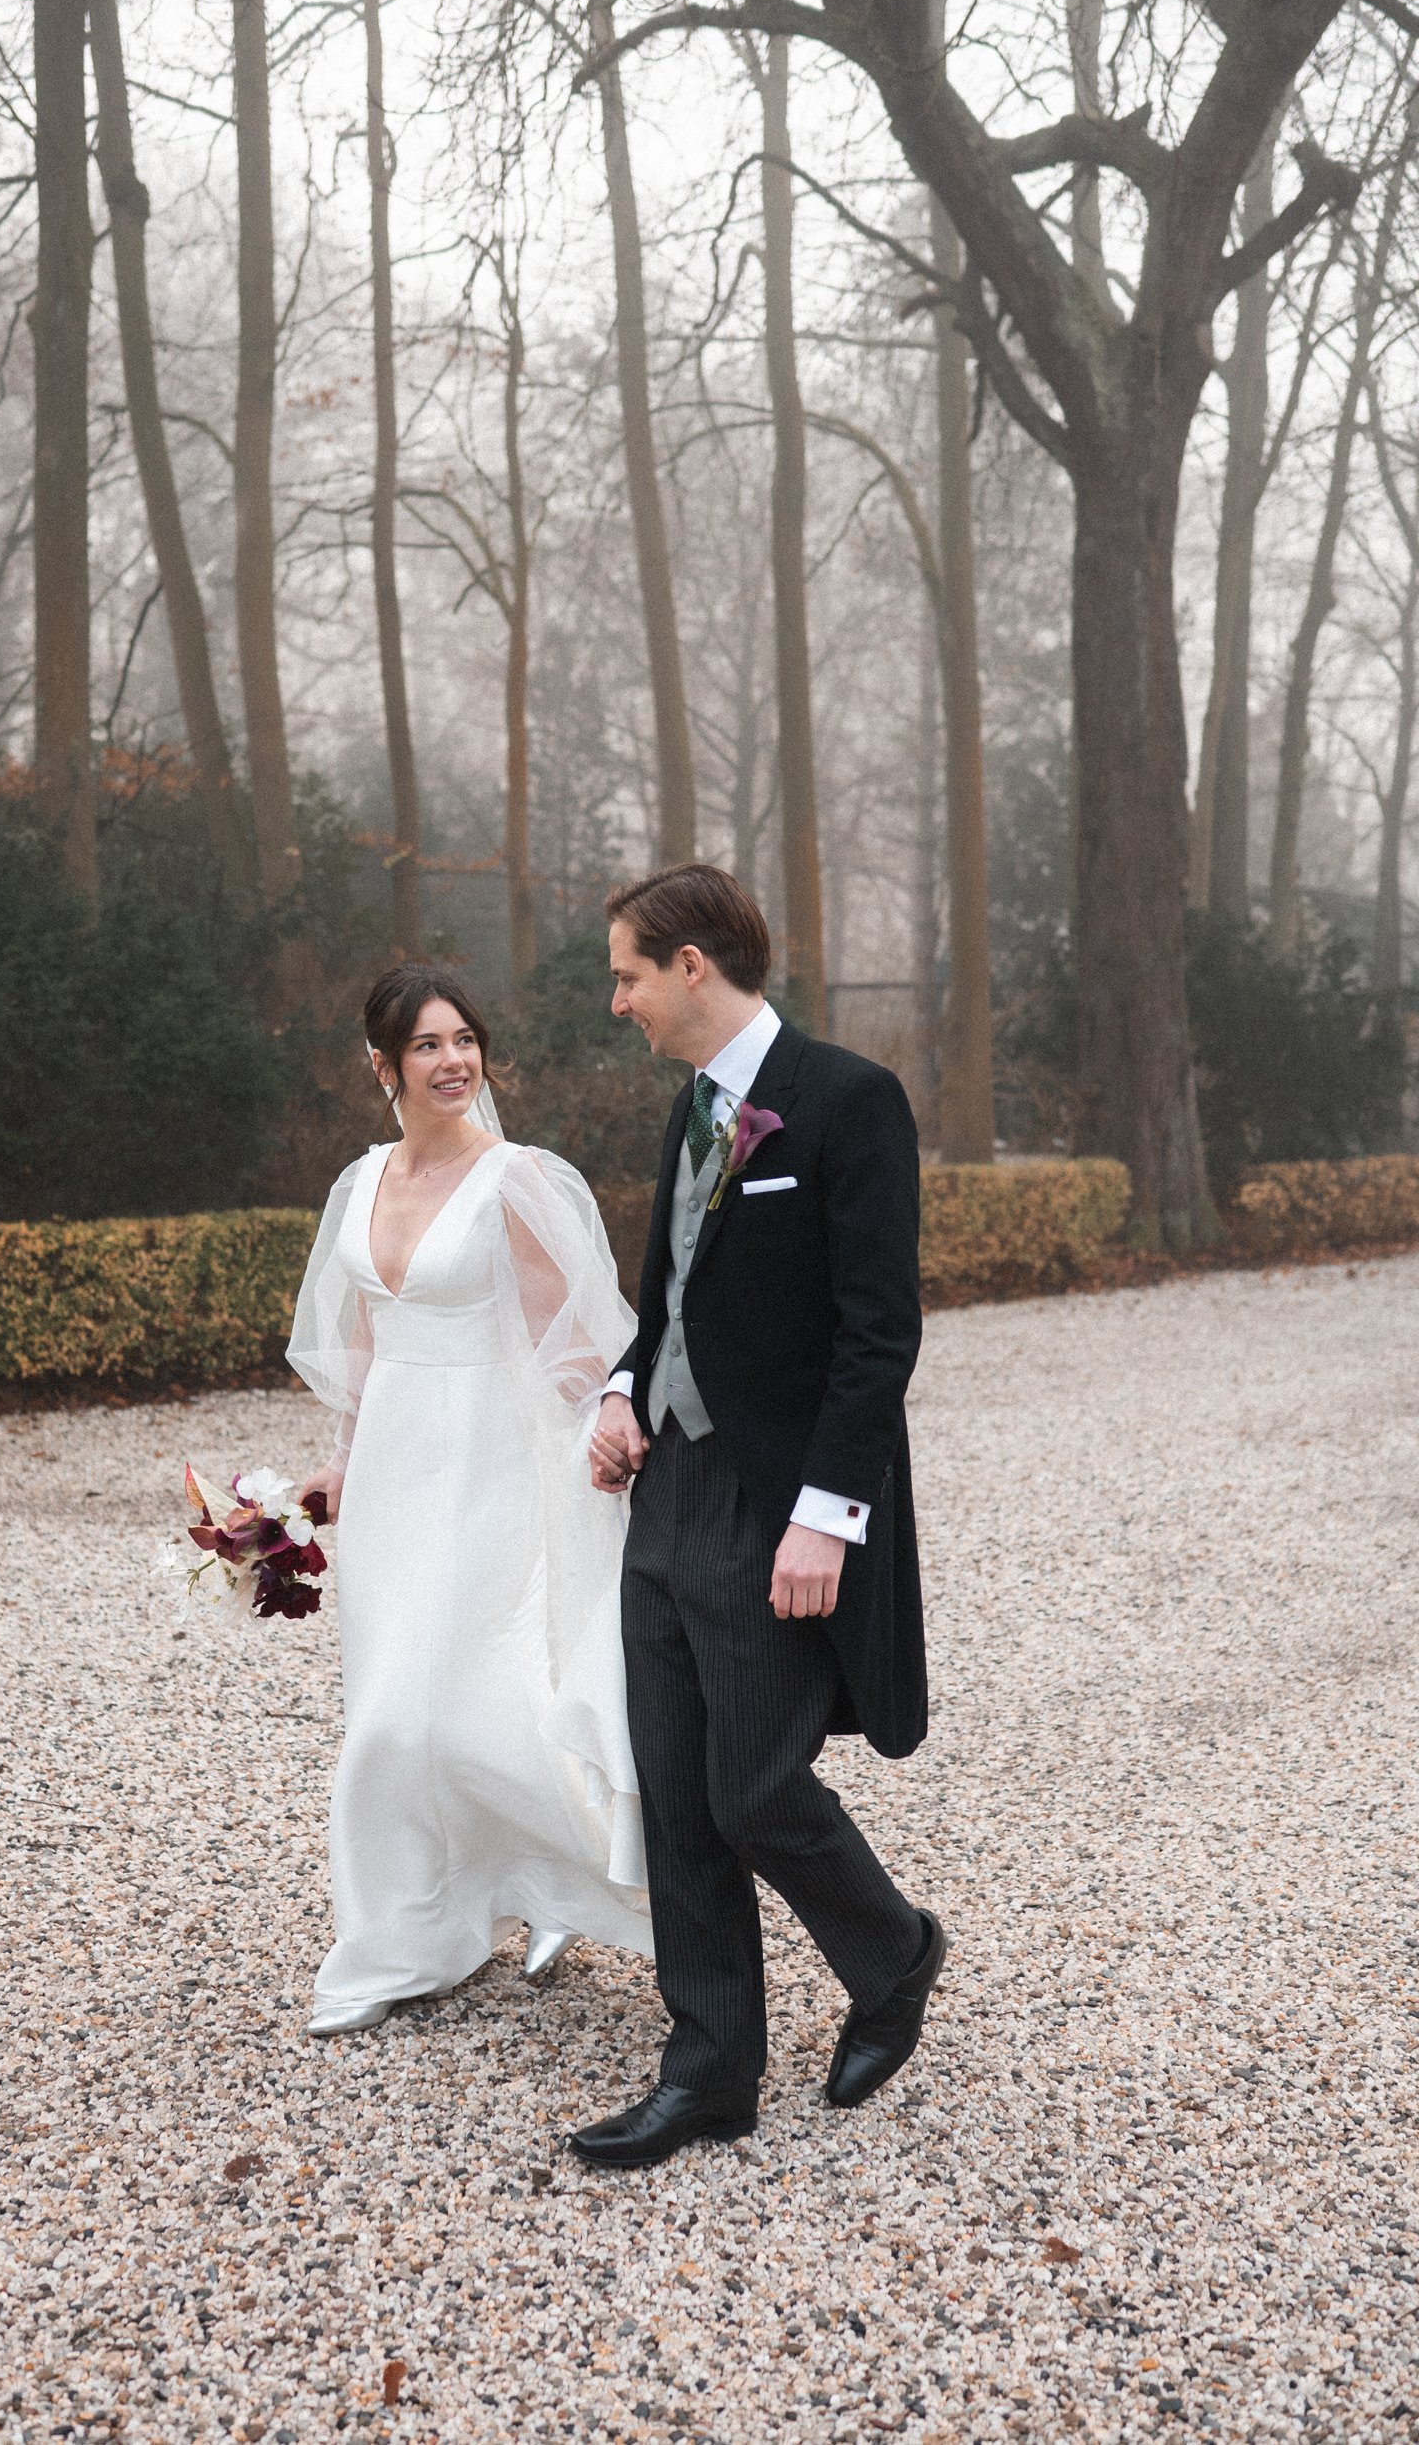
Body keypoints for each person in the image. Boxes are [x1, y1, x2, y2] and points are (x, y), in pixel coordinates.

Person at [572, 863, 945, 2168]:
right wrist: (622, 1394)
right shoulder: (689, 1109)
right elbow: (670, 1301)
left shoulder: (847, 1100)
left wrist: (825, 1515)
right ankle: (708, 2070)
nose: (615, 1000)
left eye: (625, 973)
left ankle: (892, 1952)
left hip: (772, 1501)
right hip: (667, 1493)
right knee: (676, 1793)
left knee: (751, 1787)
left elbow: (876, 1331)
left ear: (690, 966)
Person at [288, 962, 652, 2035]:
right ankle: (465, 1905)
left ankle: (428, 1933)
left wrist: (602, 1451)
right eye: (426, 1046)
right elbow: (364, 1336)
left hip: (491, 1462)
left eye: (463, 1040)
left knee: (434, 1707)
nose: (453, 1062)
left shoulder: (515, 1180)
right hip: (392, 1468)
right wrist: (342, 1461)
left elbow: (570, 1341)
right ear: (383, 1067)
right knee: (395, 1698)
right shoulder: (362, 1181)